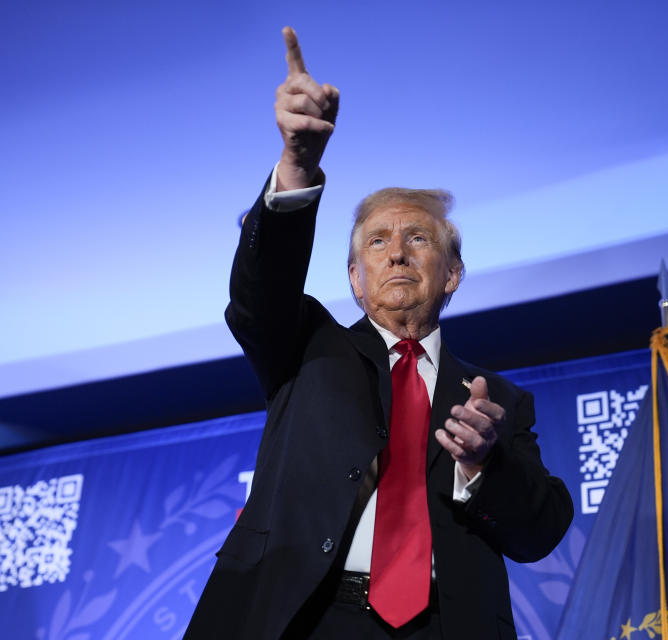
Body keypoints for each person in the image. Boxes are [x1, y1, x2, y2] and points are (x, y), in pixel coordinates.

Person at [184, 27, 573, 640]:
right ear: (354, 279)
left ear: (453, 274)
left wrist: (482, 464)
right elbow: (259, 293)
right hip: (306, 620)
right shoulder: (306, 346)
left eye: (418, 239)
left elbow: (539, 532)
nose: (397, 254)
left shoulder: (495, 401)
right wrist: (297, 166)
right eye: (377, 241)